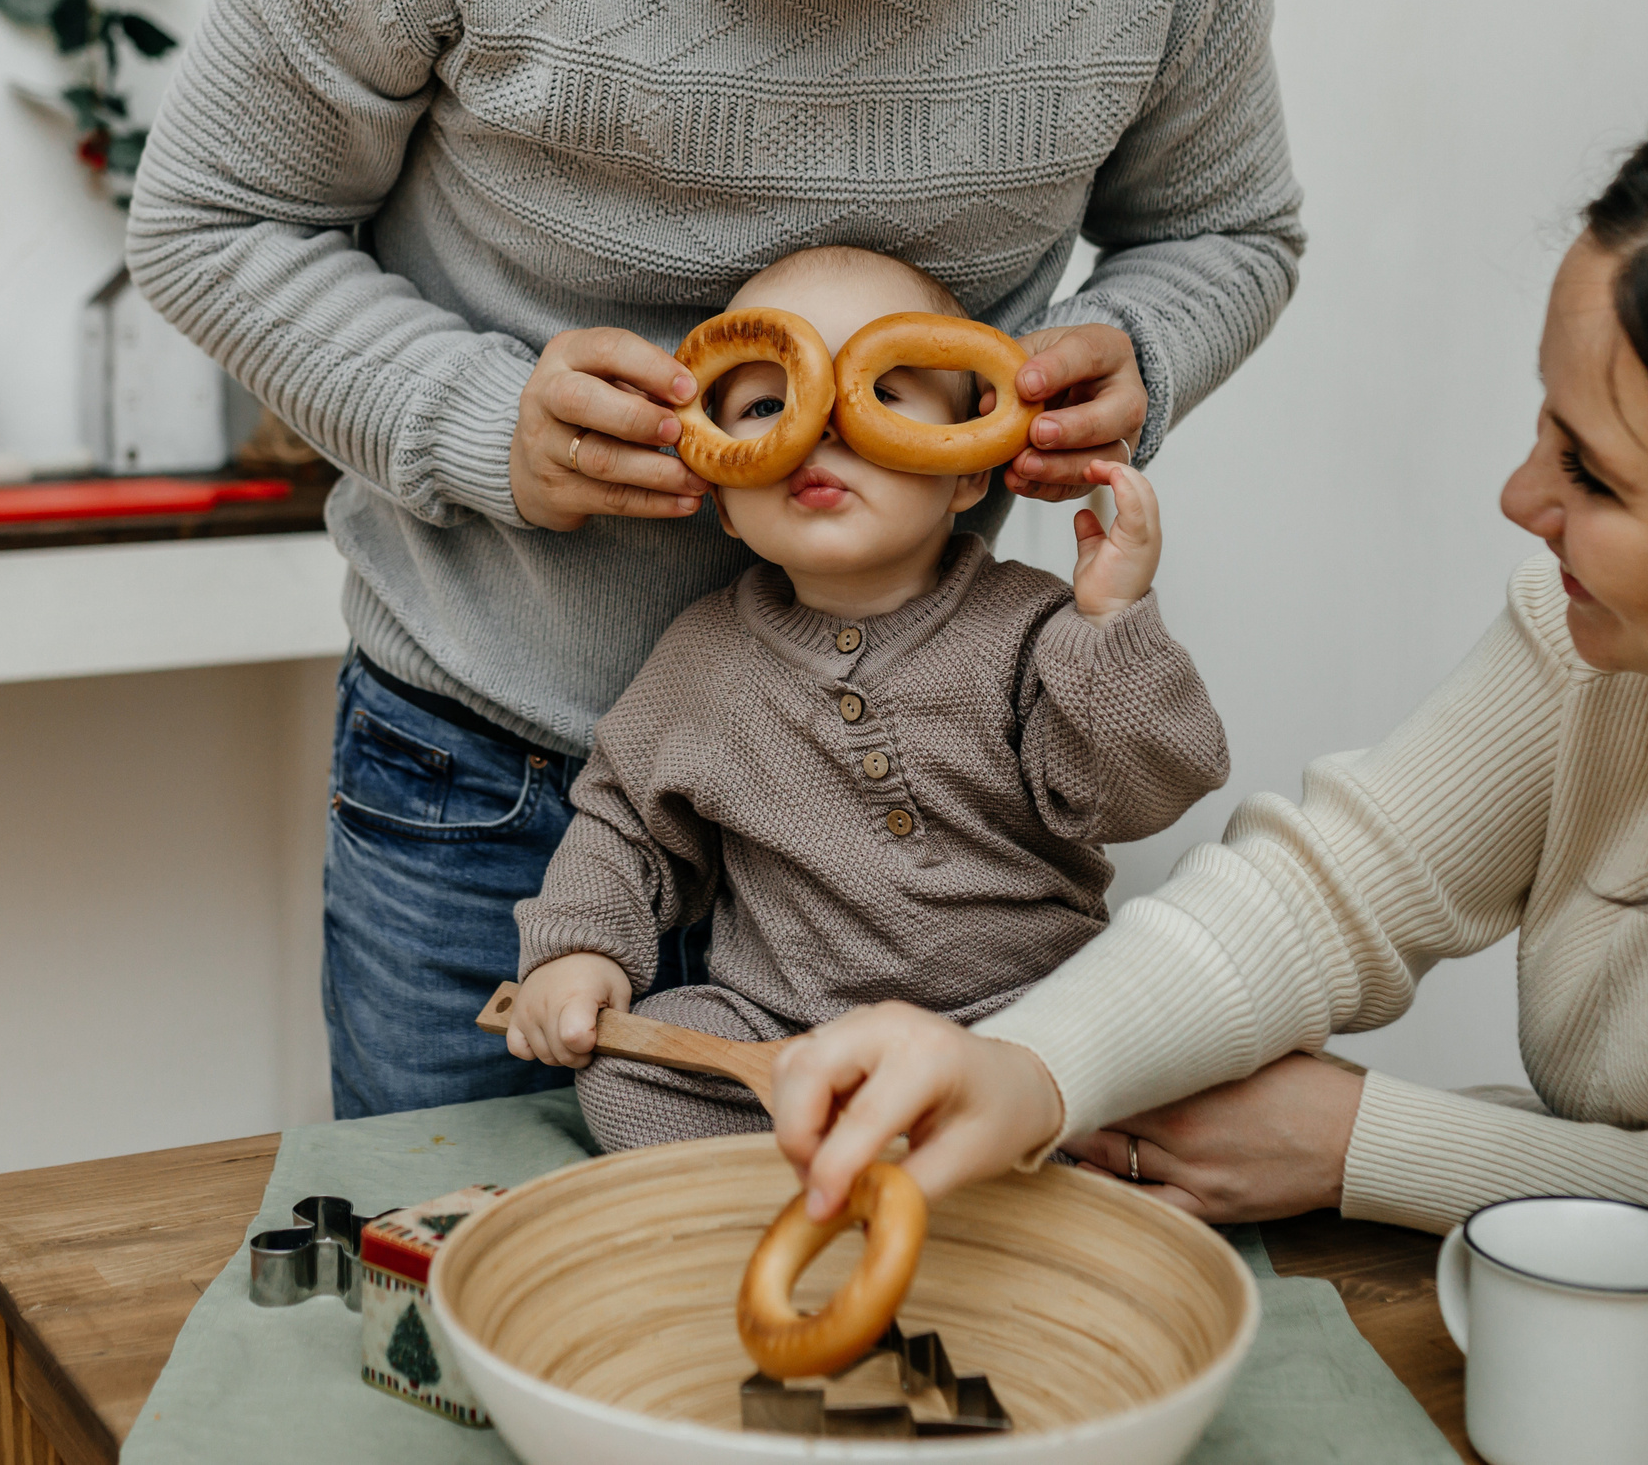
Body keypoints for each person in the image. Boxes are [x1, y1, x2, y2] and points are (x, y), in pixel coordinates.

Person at [768, 85, 1648, 1464]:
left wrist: (1374, 1141)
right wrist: (1029, 1067)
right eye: (1544, 427)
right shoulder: (1590, 640)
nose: (1520, 497)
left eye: (1595, 475)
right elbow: (1334, 887)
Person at [125, 0, 1302, 1118]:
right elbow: (213, 220)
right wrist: (483, 421)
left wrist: (1137, 348)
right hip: (493, 785)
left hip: (919, 884)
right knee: (468, 1236)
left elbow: (1228, 228)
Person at [504, 246, 1227, 1149]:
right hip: (789, 1031)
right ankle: (839, 1173)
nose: (821, 430)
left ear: (969, 467)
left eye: (884, 395)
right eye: (767, 406)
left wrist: (1110, 623)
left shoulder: (1035, 626)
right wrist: (579, 948)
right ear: (723, 489)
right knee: (629, 1076)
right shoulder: (700, 660)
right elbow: (624, 825)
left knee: (1169, 1050)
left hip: (1025, 1020)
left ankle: (984, 1152)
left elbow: (1138, 797)